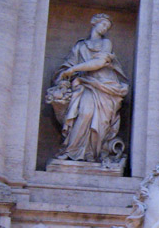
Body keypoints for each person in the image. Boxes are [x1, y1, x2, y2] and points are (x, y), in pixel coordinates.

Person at [46, 13, 130, 163]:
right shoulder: (80, 46)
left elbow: (98, 63)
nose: (105, 28)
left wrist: (72, 70)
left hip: (105, 87)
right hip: (85, 84)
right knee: (84, 113)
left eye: (107, 27)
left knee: (102, 121)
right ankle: (71, 150)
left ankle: (93, 154)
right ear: (94, 23)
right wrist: (65, 75)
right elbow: (67, 66)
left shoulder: (106, 43)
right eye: (103, 24)